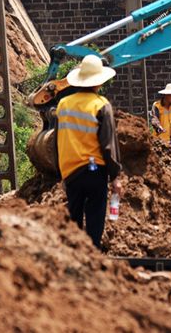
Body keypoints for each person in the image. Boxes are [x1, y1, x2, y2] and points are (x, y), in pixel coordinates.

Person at [56, 55, 123, 249]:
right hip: (95, 170)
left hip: (70, 171)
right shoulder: (101, 105)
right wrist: (115, 176)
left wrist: (59, 172)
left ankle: (75, 256)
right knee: (95, 217)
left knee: (73, 217)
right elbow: (108, 144)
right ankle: (92, 254)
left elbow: (56, 141)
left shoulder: (63, 105)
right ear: (99, 81)